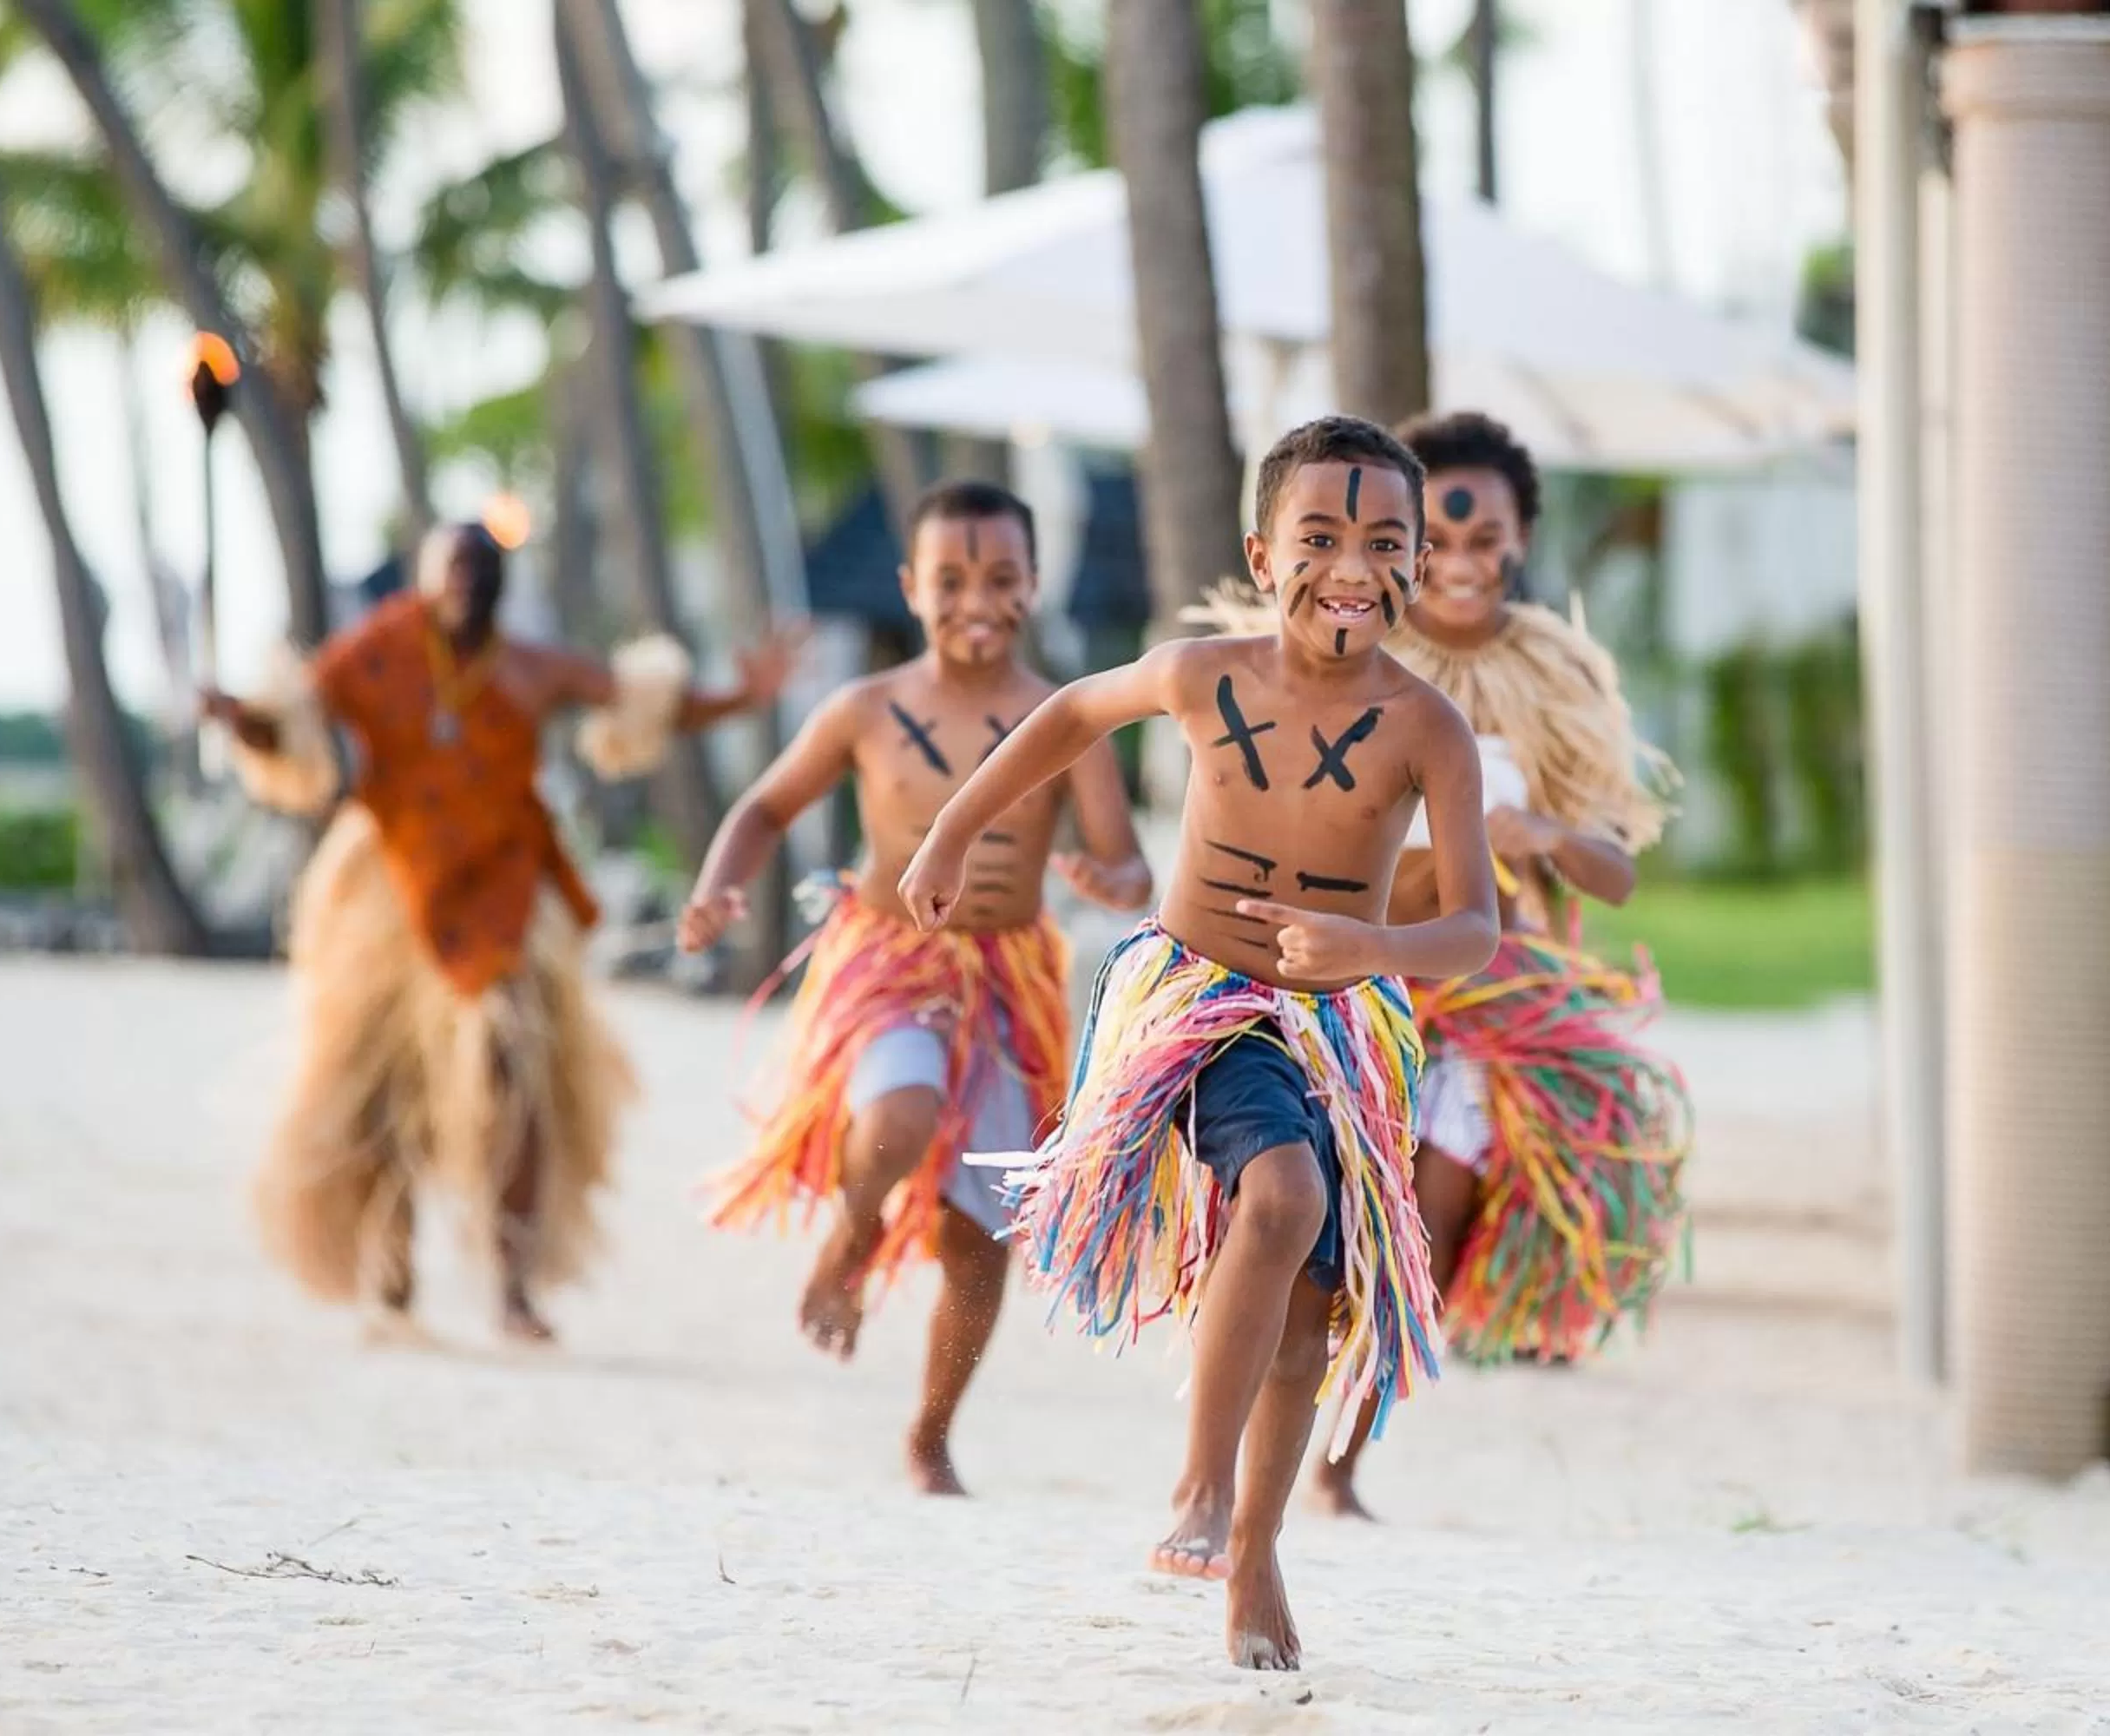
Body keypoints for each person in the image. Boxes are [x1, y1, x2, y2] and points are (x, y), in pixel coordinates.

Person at [897, 417, 1500, 1670]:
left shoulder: (1426, 727)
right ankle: (1198, 1488)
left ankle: (1255, 1557)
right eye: (1319, 537)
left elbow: (1474, 930)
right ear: (1261, 550)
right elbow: (1067, 716)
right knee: (1279, 1198)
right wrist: (952, 832)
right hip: (1197, 1005)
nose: (1350, 566)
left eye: (1382, 541)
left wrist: (1373, 952)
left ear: (1414, 565)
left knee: (1313, 1310)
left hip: (1339, 1030)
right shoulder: (1203, 675)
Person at [205, 521, 800, 1345]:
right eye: (452, 570)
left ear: (500, 585)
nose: (466, 585)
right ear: (422, 578)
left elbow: (635, 701)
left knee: (515, 1081)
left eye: (482, 572)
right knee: (380, 1091)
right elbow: (294, 723)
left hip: (504, 893)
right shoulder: (376, 651)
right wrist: (240, 720)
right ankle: (393, 1263)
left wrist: (740, 699)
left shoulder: (531, 668)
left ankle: (513, 1287)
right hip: (394, 890)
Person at [679, 480, 1151, 1497]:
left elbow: (1127, 863)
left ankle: (931, 1433)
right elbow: (764, 807)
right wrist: (719, 883)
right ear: (911, 586)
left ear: (1034, 584)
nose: (975, 598)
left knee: (978, 1241)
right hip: (890, 961)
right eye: (950, 578)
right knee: (900, 1108)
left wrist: (1110, 879)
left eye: (1000, 577)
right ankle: (852, 1237)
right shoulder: (866, 708)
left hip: (1007, 979)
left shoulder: (1067, 717)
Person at [1291, 411, 1693, 1517]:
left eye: (1488, 540)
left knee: (1427, 1208)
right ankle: (1275, 1425)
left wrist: (1547, 841)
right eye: (1443, 541)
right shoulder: (1352, 643)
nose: (1463, 563)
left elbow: (1614, 871)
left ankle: (1339, 1464)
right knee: (1317, 1210)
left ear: (1523, 536)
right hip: (1347, 983)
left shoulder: (1554, 673)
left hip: (1477, 1003)